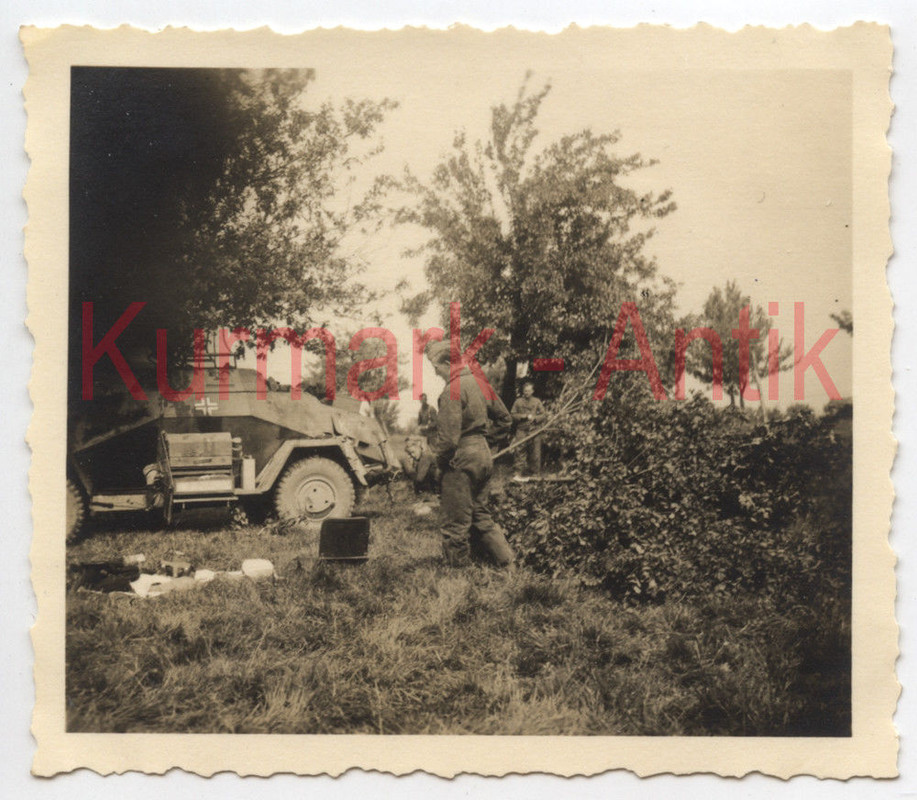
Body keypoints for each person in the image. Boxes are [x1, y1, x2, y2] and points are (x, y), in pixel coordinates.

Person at [426, 340, 514, 568]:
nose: (435, 373)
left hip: (460, 460)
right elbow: (505, 419)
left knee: (455, 523)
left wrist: (438, 465)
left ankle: (457, 578)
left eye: (436, 367)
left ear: (447, 363)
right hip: (483, 456)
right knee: (481, 516)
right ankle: (507, 563)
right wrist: (485, 443)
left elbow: (448, 440)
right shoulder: (480, 383)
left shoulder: (451, 391)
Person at [511, 380, 546, 477]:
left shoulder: (537, 401)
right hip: (521, 429)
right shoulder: (518, 402)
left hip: (534, 430)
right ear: (523, 391)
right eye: (525, 391)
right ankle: (518, 471)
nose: (527, 393)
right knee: (519, 450)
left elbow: (543, 415)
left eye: (529, 391)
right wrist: (523, 416)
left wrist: (535, 418)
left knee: (535, 451)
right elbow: (513, 415)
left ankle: (535, 472)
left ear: (532, 391)